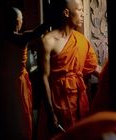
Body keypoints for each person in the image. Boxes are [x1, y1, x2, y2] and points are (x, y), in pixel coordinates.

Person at [37, 0, 101, 138]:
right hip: (57, 101)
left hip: (79, 99)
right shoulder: (48, 41)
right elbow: (43, 78)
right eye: (79, 10)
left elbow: (94, 67)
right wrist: (51, 113)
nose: (83, 14)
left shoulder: (81, 40)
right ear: (66, 13)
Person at [0, 7, 46, 140]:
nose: (22, 22)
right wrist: (51, 18)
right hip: (17, 86)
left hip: (3, 85)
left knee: (7, 120)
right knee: (20, 121)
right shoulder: (20, 38)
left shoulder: (1, 39)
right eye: (22, 19)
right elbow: (37, 32)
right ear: (17, 21)